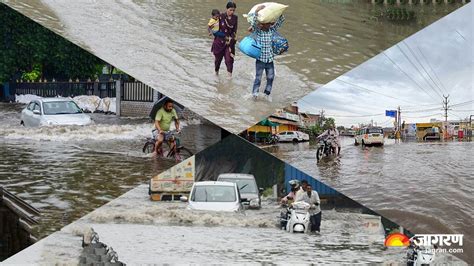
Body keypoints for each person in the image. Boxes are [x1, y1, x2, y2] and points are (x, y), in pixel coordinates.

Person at [249, 5, 285, 101]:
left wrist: (279, 11)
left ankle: (266, 94)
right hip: (260, 60)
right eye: (268, 23)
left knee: (270, 78)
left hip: (270, 60)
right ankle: (254, 95)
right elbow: (253, 23)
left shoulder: (271, 30)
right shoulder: (259, 31)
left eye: (270, 23)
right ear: (263, 24)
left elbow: (280, 21)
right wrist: (257, 11)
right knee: (258, 79)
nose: (270, 25)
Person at [211, 2, 238, 77]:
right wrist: (223, 36)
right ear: (227, 9)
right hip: (219, 42)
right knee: (218, 60)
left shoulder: (235, 18)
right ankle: (216, 74)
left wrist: (231, 38)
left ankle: (229, 78)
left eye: (233, 10)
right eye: (230, 10)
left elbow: (234, 31)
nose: (232, 12)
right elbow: (214, 29)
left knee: (229, 60)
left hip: (229, 43)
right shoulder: (220, 16)